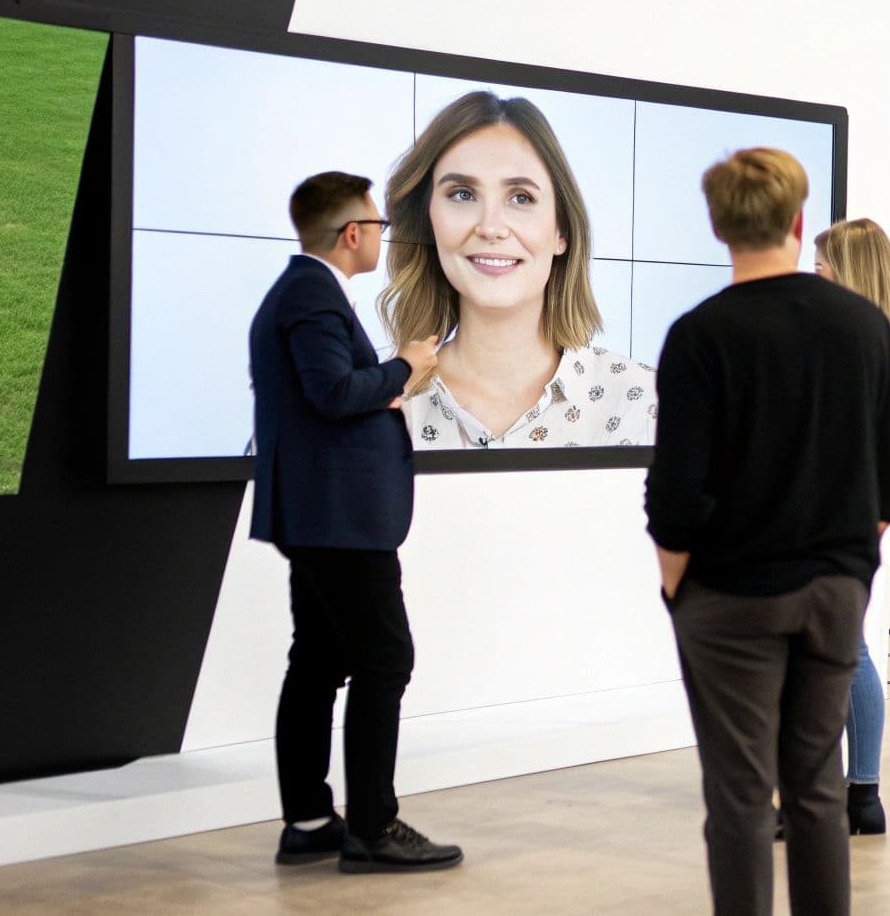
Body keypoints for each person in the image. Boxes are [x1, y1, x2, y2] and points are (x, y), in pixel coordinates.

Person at [646, 149, 890, 915]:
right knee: (816, 789)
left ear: (718, 227)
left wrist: (679, 585)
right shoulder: (862, 325)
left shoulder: (700, 334)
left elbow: (674, 491)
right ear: (799, 223)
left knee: (738, 797)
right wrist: (851, 562)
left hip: (728, 598)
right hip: (832, 593)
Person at [249, 171, 462, 873]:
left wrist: (392, 386)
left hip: (322, 515)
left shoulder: (301, 292)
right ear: (352, 234)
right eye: (377, 225)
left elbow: (329, 396)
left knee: (318, 659)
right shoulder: (311, 294)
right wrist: (404, 367)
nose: (381, 235)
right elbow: (335, 392)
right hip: (336, 520)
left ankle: (310, 821)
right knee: (383, 659)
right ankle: (372, 827)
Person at [380, 91, 655, 449]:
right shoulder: (374, 402)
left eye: (521, 197)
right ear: (428, 222)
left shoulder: (648, 405)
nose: (491, 227)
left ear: (561, 232)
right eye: (463, 194)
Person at [811, 218, 890, 836]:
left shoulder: (838, 344)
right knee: (848, 652)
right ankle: (862, 796)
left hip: (821, 526)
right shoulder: (885, 345)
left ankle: (823, 795)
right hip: (855, 526)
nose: (812, 271)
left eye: (822, 262)